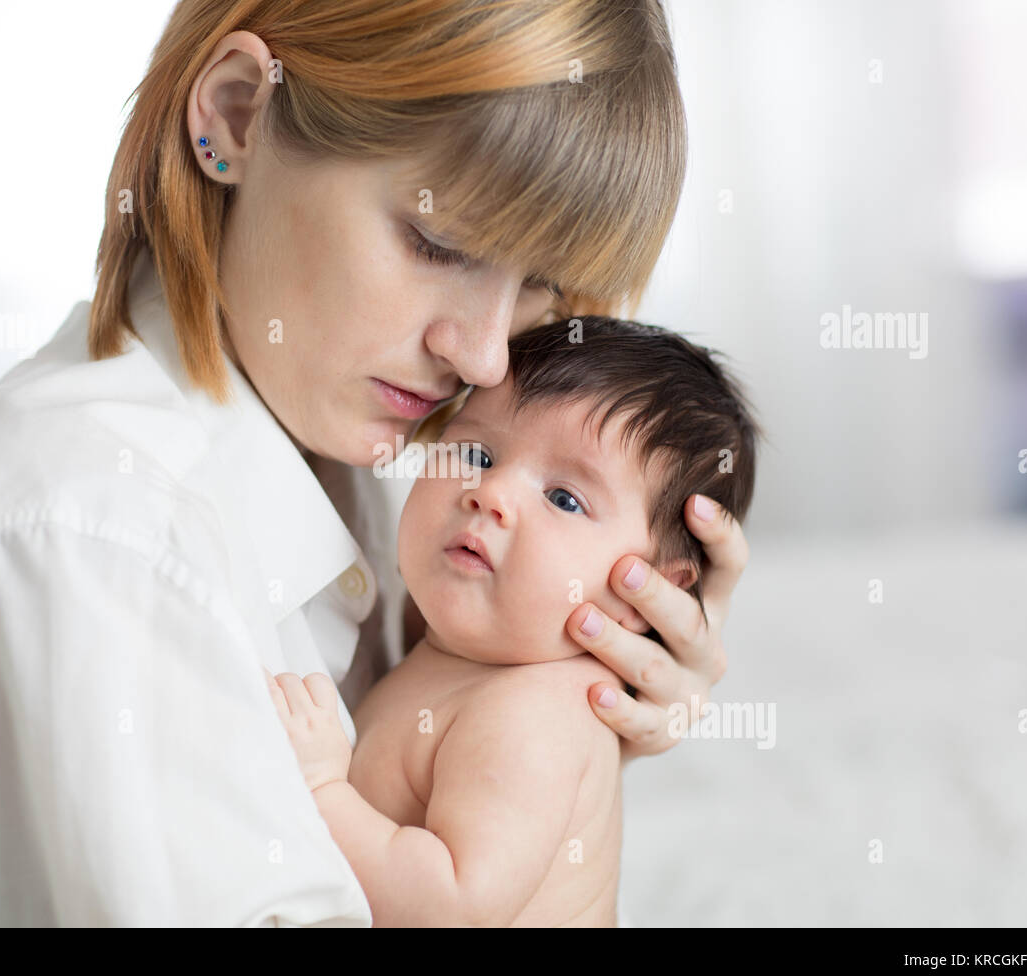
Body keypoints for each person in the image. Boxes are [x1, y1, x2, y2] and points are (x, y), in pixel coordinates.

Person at [0, 0, 749, 926]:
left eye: (539, 283)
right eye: (439, 242)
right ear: (235, 115)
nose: (486, 355)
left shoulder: (337, 433)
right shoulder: (81, 532)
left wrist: (567, 709)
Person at [270, 317, 760, 926]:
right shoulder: (462, 650)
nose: (491, 492)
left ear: (649, 591)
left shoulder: (534, 716)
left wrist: (323, 791)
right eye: (476, 454)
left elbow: (451, 906)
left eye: (563, 498)